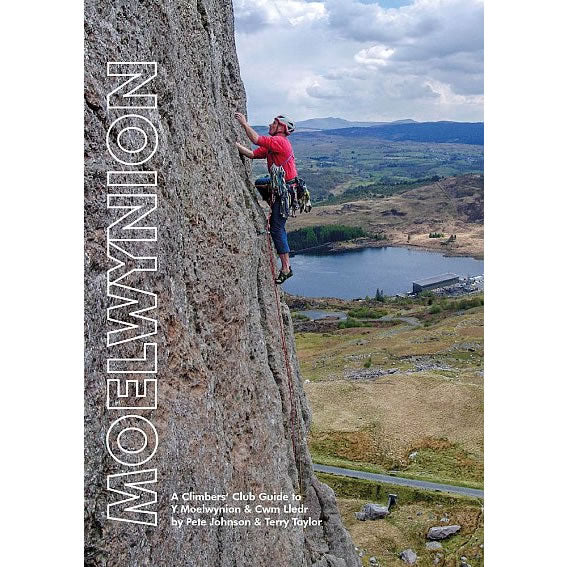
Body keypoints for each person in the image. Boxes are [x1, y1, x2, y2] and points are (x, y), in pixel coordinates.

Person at [235, 112, 297, 284]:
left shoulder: (280, 141)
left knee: (277, 228)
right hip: (283, 188)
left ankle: (286, 268)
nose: (270, 125)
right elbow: (252, 154)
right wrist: (233, 145)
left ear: (281, 128)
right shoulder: (273, 146)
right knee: (260, 182)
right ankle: (273, 204)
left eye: (274, 123)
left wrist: (244, 124)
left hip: (286, 191)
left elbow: (256, 139)